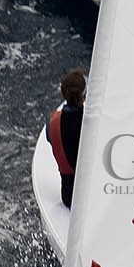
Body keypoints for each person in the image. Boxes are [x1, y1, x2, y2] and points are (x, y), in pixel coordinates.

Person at [46, 69, 86, 207]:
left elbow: (51, 139)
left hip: (68, 196)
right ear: (84, 95)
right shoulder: (90, 124)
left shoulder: (52, 122)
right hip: (91, 195)